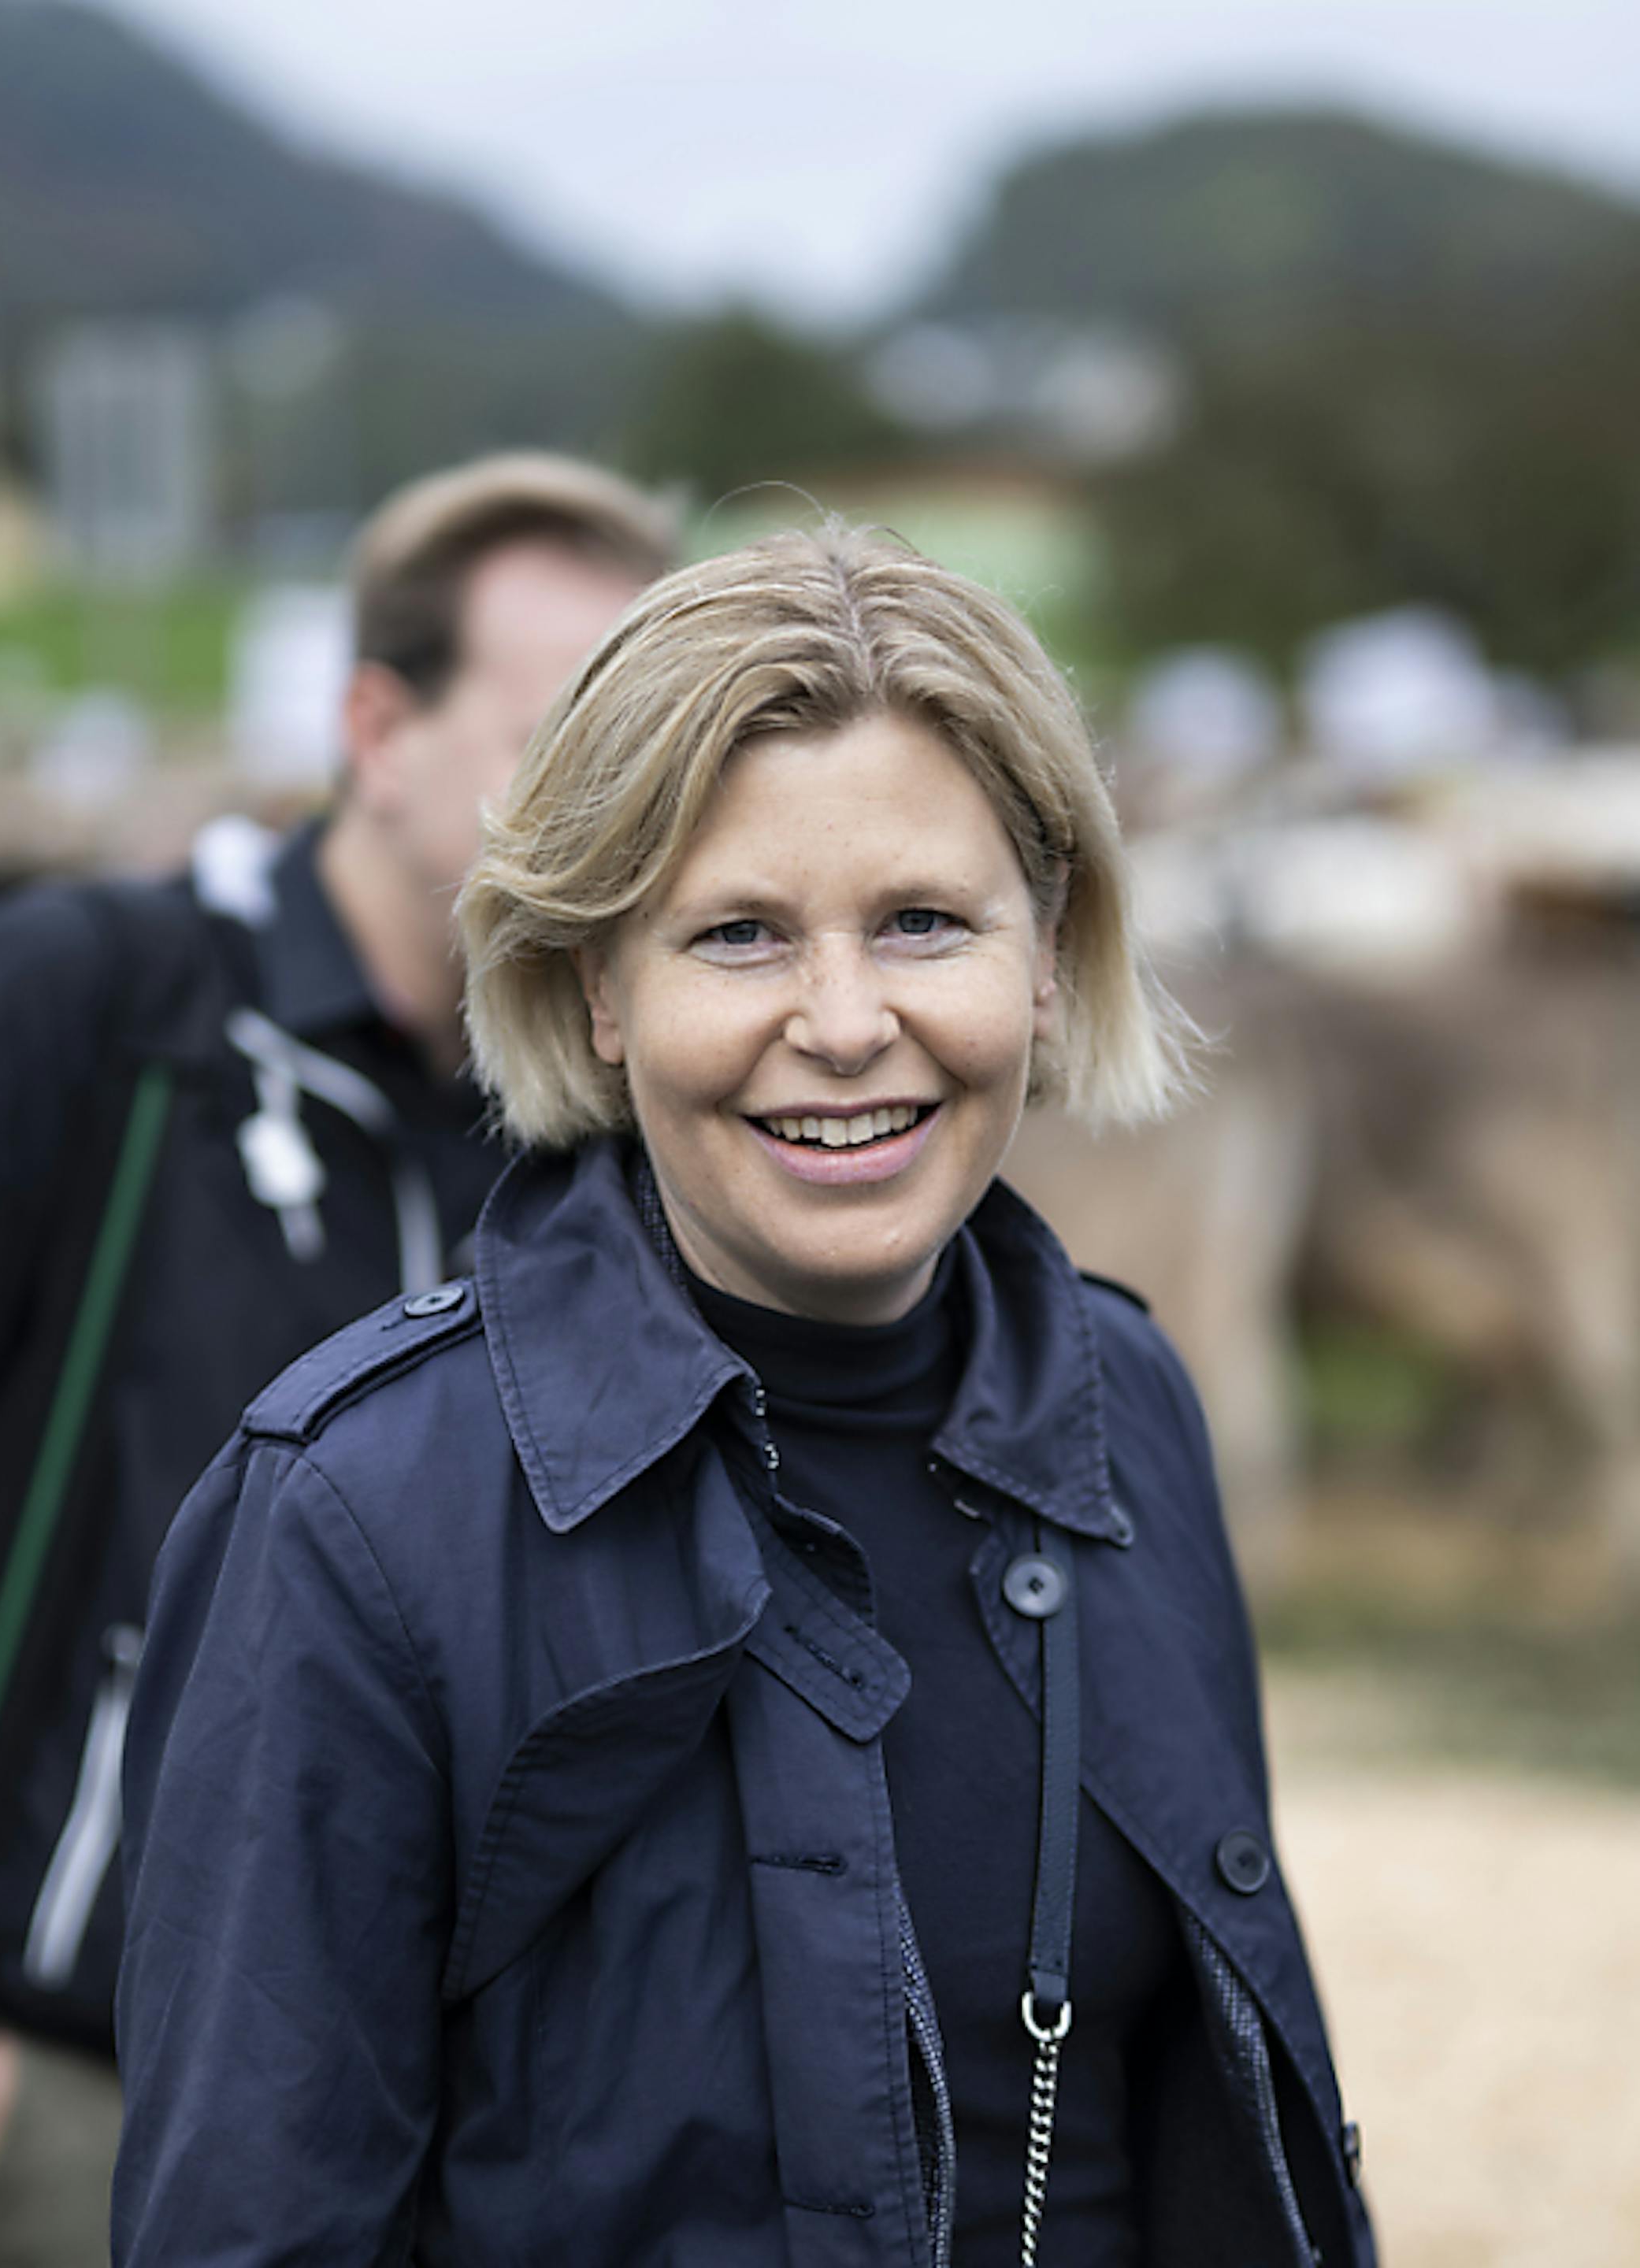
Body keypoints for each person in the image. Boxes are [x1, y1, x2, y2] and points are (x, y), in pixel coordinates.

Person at [117, 528, 1377, 2265]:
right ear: (595, 988)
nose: (847, 1023)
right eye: (740, 936)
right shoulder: (353, 1515)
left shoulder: (1127, 1404)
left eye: (924, 921)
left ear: (1045, 947)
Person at [0, 454, 674, 2266]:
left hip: (428, 2139)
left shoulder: (610, 1137)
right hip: (51, 2068)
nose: (620, 820)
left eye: (655, 765)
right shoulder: (79, 1006)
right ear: (376, 725)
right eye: (564, 746)